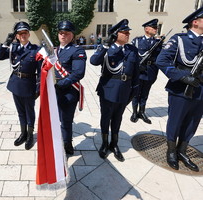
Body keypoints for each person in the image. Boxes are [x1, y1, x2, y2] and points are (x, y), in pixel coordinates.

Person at [156, 7, 203, 172]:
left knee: (192, 122)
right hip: (181, 89)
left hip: (201, 91)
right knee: (175, 121)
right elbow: (161, 61)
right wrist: (183, 77)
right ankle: (171, 151)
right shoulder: (180, 39)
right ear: (195, 22)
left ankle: (182, 151)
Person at [90, 19, 139, 161]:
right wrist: (106, 45)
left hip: (124, 90)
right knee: (106, 117)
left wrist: (135, 89)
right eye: (124, 32)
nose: (128, 34)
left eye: (128, 32)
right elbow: (93, 61)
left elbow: (136, 71)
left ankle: (114, 144)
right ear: (116, 35)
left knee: (118, 118)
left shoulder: (132, 50)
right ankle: (105, 143)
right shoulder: (107, 48)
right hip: (108, 89)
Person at [0, 21, 42, 150]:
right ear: (16, 35)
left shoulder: (36, 50)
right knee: (20, 112)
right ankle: (23, 133)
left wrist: (38, 89)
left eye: (25, 32)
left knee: (29, 112)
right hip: (16, 84)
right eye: (20, 33)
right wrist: (6, 43)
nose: (23, 35)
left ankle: (30, 136)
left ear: (28, 34)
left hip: (29, 85)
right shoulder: (13, 48)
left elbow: (40, 72)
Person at [55, 20, 87, 155]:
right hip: (54, 91)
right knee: (55, 118)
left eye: (67, 33)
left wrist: (62, 83)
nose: (63, 35)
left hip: (68, 92)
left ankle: (67, 144)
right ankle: (57, 142)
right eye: (61, 33)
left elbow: (79, 73)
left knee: (66, 120)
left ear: (72, 35)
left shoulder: (77, 50)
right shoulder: (55, 50)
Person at [130, 19, 163, 124]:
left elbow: (160, 57)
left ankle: (142, 112)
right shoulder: (137, 41)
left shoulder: (158, 42)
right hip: (139, 71)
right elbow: (131, 56)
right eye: (154, 28)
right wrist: (135, 68)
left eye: (156, 28)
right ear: (147, 29)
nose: (156, 29)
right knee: (136, 92)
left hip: (151, 71)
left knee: (145, 93)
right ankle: (134, 112)